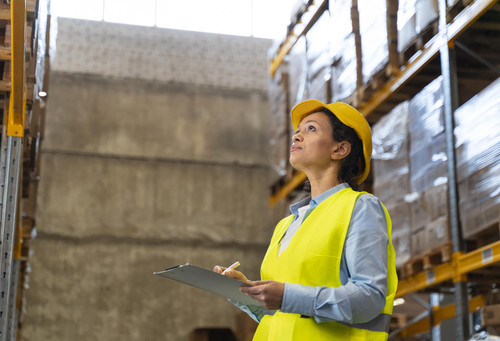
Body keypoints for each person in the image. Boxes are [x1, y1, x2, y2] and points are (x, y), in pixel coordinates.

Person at [214, 100, 398, 340]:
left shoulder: (359, 207)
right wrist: (244, 292)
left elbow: (369, 297)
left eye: (310, 129)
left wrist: (288, 296)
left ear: (340, 149)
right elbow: (283, 314)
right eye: (297, 131)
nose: (297, 136)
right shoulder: (286, 225)